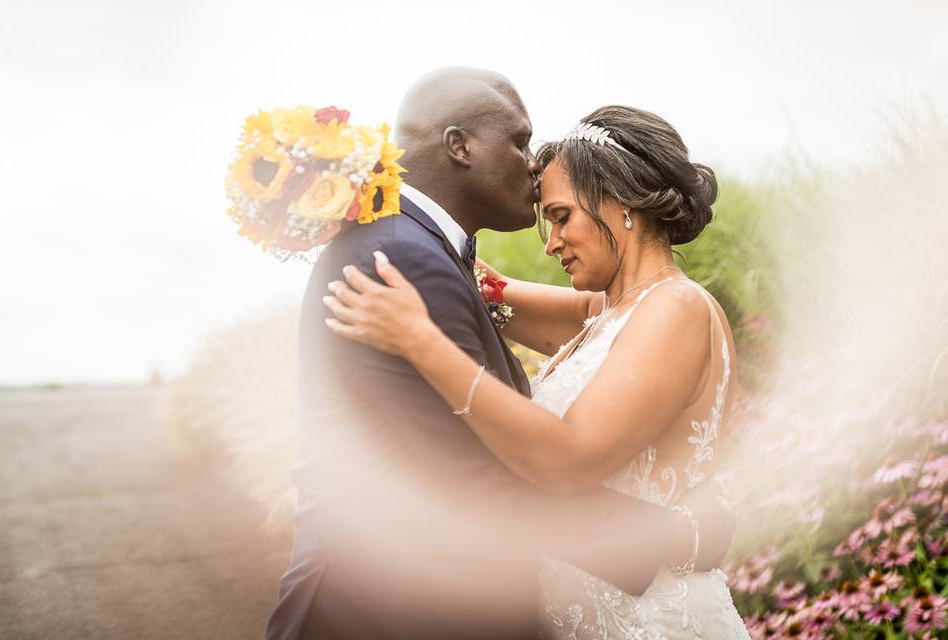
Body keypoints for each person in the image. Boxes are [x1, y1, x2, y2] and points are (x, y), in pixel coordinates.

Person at [267, 69, 735, 640]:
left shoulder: (669, 309)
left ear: (622, 204)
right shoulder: (408, 257)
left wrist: (424, 332)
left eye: (561, 216)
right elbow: (473, 468)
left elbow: (540, 455)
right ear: (459, 145)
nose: (531, 165)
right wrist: (674, 535)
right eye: (520, 142)